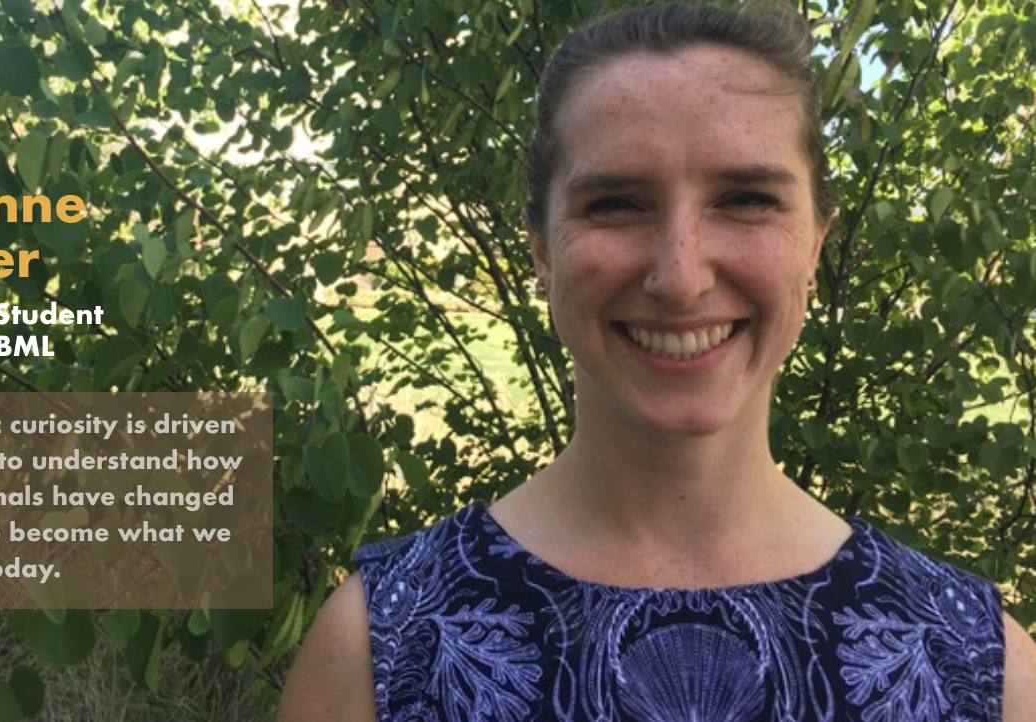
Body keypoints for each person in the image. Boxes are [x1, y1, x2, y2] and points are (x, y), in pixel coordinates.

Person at [278, 2, 1036, 719]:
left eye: (746, 199)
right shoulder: (381, 650)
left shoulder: (977, 667)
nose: (680, 278)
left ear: (814, 245)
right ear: (542, 252)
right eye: (615, 204)